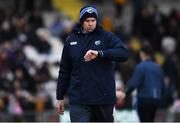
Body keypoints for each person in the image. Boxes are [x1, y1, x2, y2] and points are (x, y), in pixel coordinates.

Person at [56, 5, 128, 122]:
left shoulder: (106, 37)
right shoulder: (70, 40)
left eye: (93, 20)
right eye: (87, 20)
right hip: (79, 100)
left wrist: (100, 53)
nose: (90, 23)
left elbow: (123, 53)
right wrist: (59, 97)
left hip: (103, 99)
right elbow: (64, 70)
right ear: (81, 21)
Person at [117, 45, 165, 122]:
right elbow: (163, 86)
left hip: (144, 98)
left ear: (142, 53)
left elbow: (134, 84)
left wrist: (125, 93)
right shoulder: (158, 67)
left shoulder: (141, 66)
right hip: (156, 99)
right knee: (150, 120)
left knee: (144, 120)